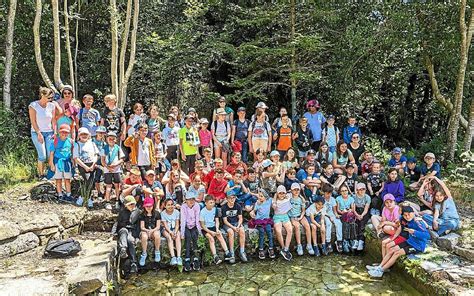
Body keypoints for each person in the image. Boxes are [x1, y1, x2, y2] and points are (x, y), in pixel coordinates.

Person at [367, 205, 430, 278]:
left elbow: (427, 235)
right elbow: (399, 225)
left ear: (413, 213)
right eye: (405, 215)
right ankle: (380, 267)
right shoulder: (404, 219)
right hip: (409, 241)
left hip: (418, 246)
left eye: (409, 214)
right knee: (391, 250)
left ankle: (381, 270)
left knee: (397, 253)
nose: (407, 216)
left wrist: (414, 232)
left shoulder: (418, 222)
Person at [29, 87, 57, 179]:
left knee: (50, 154)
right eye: (49, 98)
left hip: (49, 132)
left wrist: (55, 132)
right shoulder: (33, 105)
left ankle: (50, 174)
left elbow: (53, 120)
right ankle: (41, 175)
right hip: (37, 132)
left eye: (51, 98)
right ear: (42, 95)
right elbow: (33, 121)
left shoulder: (51, 105)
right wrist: (39, 133)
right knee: (42, 155)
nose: (50, 100)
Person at [200, 194, 233, 264]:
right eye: (210, 203)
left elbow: (217, 221)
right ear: (206, 203)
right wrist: (210, 232)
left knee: (220, 235)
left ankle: (227, 253)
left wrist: (217, 229)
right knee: (211, 239)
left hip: (213, 226)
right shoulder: (202, 212)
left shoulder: (215, 209)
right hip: (205, 228)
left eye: (213, 202)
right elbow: (202, 225)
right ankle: (215, 257)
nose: (212, 204)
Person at [74, 127, 100, 207]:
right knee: (85, 181)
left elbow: (96, 155)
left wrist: (93, 165)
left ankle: (88, 198)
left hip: (92, 164)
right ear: (79, 135)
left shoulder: (92, 143)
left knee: (91, 181)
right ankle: (82, 197)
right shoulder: (77, 144)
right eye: (82, 134)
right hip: (82, 165)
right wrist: (85, 167)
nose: (84, 136)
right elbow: (76, 158)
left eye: (86, 134)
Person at [49, 124, 74, 203]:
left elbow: (72, 152)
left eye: (66, 132)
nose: (64, 134)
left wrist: (73, 161)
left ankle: (68, 194)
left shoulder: (70, 141)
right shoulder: (55, 141)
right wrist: (51, 164)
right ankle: (60, 194)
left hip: (67, 162)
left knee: (67, 179)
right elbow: (51, 154)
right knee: (58, 179)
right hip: (58, 162)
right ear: (59, 132)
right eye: (62, 132)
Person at [100, 131, 125, 210]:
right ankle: (107, 201)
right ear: (106, 139)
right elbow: (102, 161)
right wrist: (108, 167)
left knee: (117, 186)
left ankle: (117, 201)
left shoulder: (118, 148)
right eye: (109, 138)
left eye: (113, 139)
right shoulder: (104, 149)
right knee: (108, 186)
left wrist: (116, 164)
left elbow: (122, 159)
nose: (111, 140)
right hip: (108, 170)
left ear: (115, 139)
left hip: (116, 170)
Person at [288, 183, 314, 256]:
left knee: (307, 226)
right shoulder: (289, 199)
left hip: (300, 215)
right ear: (292, 190)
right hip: (293, 216)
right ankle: (299, 245)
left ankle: (309, 245)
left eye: (298, 190)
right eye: (294, 190)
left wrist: (301, 217)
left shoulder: (301, 199)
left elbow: (303, 210)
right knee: (297, 226)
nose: (296, 191)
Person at [117, 195, 141, 274]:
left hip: (132, 231)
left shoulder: (137, 212)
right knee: (123, 231)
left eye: (133, 204)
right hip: (124, 230)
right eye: (130, 204)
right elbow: (119, 224)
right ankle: (123, 249)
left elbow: (136, 224)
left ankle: (133, 263)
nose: (132, 206)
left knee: (130, 240)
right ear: (125, 205)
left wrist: (137, 236)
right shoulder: (122, 212)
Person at [221, 191, 248, 262]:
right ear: (227, 199)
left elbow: (240, 218)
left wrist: (238, 226)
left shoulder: (238, 206)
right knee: (231, 232)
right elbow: (225, 221)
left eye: (233, 198)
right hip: (228, 224)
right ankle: (232, 253)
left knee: (242, 231)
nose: (232, 199)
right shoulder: (224, 207)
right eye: (230, 198)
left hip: (236, 223)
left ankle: (242, 251)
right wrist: (233, 228)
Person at [249, 189, 275, 260]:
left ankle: (271, 248)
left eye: (261, 196)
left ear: (266, 197)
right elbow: (253, 211)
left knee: (269, 231)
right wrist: (252, 213)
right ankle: (261, 249)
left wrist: (274, 205)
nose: (259, 197)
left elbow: (274, 198)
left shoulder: (269, 201)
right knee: (262, 232)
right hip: (259, 221)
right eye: (259, 196)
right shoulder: (258, 203)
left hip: (266, 220)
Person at [180, 191, 202, 272]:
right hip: (186, 226)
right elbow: (183, 220)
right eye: (189, 199)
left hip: (194, 226)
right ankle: (187, 258)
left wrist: (199, 232)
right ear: (186, 200)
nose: (191, 201)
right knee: (188, 237)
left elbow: (197, 220)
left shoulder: (197, 206)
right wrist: (182, 233)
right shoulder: (183, 207)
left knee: (194, 236)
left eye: (193, 199)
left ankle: (196, 258)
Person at [272, 185, 293, 261]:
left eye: (283, 193)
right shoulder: (274, 200)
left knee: (290, 230)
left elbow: (293, 191)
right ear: (277, 193)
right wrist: (275, 196)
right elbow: (274, 206)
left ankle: (286, 249)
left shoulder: (287, 197)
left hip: (285, 216)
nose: (282, 195)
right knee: (278, 230)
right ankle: (283, 247)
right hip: (277, 217)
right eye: (280, 193)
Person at [138, 197, 161, 266]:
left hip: (154, 230)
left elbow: (158, 226)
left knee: (157, 234)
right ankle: (144, 253)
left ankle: (157, 251)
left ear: (153, 206)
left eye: (150, 206)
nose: (148, 208)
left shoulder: (157, 213)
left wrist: (152, 231)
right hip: (145, 230)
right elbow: (142, 227)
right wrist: (147, 230)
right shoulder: (142, 214)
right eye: (147, 206)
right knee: (144, 236)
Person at [321, 183, 343, 252]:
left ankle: (339, 241)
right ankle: (328, 242)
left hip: (331, 214)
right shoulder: (321, 199)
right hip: (324, 215)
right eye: (327, 193)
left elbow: (334, 210)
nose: (329, 195)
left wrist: (336, 215)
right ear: (324, 192)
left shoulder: (332, 199)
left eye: (330, 193)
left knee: (339, 223)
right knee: (328, 224)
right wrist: (329, 216)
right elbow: (321, 211)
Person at [161, 199, 182, 266]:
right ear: (165, 206)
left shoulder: (176, 212)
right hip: (166, 230)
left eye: (172, 204)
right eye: (168, 205)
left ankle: (178, 257)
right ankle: (173, 257)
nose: (170, 206)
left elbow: (177, 224)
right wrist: (170, 232)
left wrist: (175, 232)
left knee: (178, 236)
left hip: (174, 229)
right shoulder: (163, 213)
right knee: (169, 238)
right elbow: (165, 225)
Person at [336, 184, 356, 253]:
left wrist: (349, 210)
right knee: (345, 223)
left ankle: (352, 239)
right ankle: (345, 240)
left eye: (345, 190)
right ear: (340, 192)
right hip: (342, 214)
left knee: (351, 222)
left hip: (350, 215)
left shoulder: (351, 198)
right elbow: (338, 210)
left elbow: (353, 209)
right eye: (342, 191)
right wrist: (342, 212)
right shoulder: (338, 198)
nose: (344, 192)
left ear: (348, 190)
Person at [353, 183, 371, 251]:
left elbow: (366, 209)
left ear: (365, 189)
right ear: (357, 190)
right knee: (356, 223)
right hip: (356, 211)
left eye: (363, 189)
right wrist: (357, 215)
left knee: (362, 223)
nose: (361, 191)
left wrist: (361, 215)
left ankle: (361, 240)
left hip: (364, 212)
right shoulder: (354, 197)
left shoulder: (367, 197)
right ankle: (356, 240)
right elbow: (353, 209)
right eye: (359, 189)